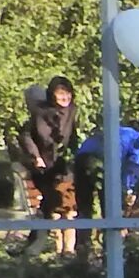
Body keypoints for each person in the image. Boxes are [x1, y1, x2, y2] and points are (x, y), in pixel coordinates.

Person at [15, 76, 81, 256]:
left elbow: (72, 135)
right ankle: (48, 247)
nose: (64, 98)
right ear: (52, 95)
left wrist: (76, 155)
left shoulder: (73, 111)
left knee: (65, 205)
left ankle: (67, 249)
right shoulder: (40, 113)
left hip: (65, 166)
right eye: (60, 95)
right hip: (44, 166)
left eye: (67, 94)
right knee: (51, 207)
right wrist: (36, 157)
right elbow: (25, 136)